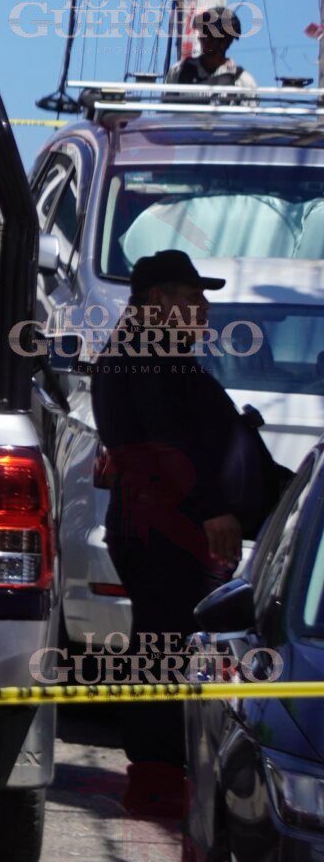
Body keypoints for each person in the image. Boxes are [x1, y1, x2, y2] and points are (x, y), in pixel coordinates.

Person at [92, 249, 263, 771]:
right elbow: (167, 445)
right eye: (192, 297)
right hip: (163, 528)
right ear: (155, 300)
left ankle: (162, 760)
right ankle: (158, 768)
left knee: (169, 642)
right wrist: (212, 510)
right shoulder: (145, 355)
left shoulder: (162, 353)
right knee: (165, 644)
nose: (204, 308)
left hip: (169, 524)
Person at [164, 7, 257, 91]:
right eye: (203, 31)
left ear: (226, 41)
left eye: (210, 33)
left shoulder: (242, 82)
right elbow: (166, 103)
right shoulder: (179, 72)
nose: (203, 37)